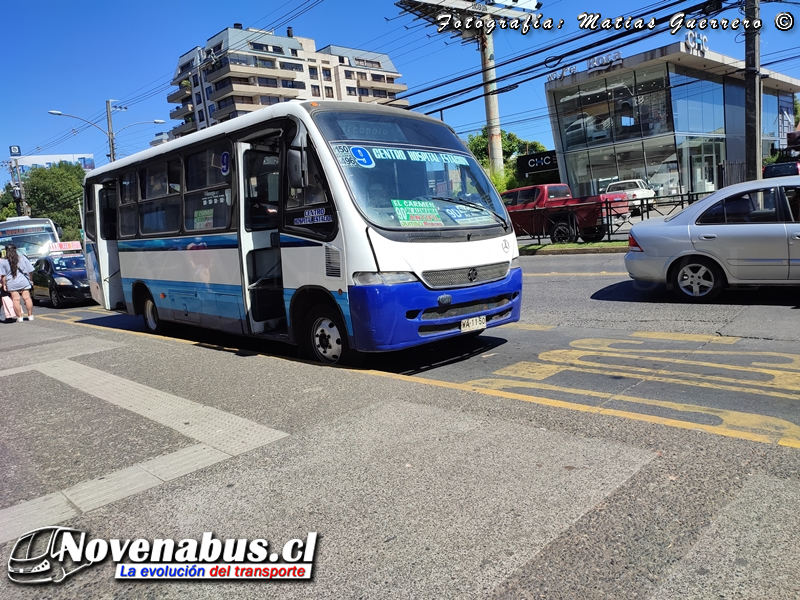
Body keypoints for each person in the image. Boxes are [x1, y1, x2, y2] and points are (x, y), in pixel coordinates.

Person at [0, 244, 35, 323]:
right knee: (27, 298)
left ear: (6, 251)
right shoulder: (23, 258)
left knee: (16, 300)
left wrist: (4, 284)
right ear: (15, 249)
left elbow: (3, 276)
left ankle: (20, 317)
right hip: (24, 281)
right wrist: (31, 280)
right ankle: (30, 316)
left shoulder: (3, 262)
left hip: (12, 282)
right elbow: (30, 271)